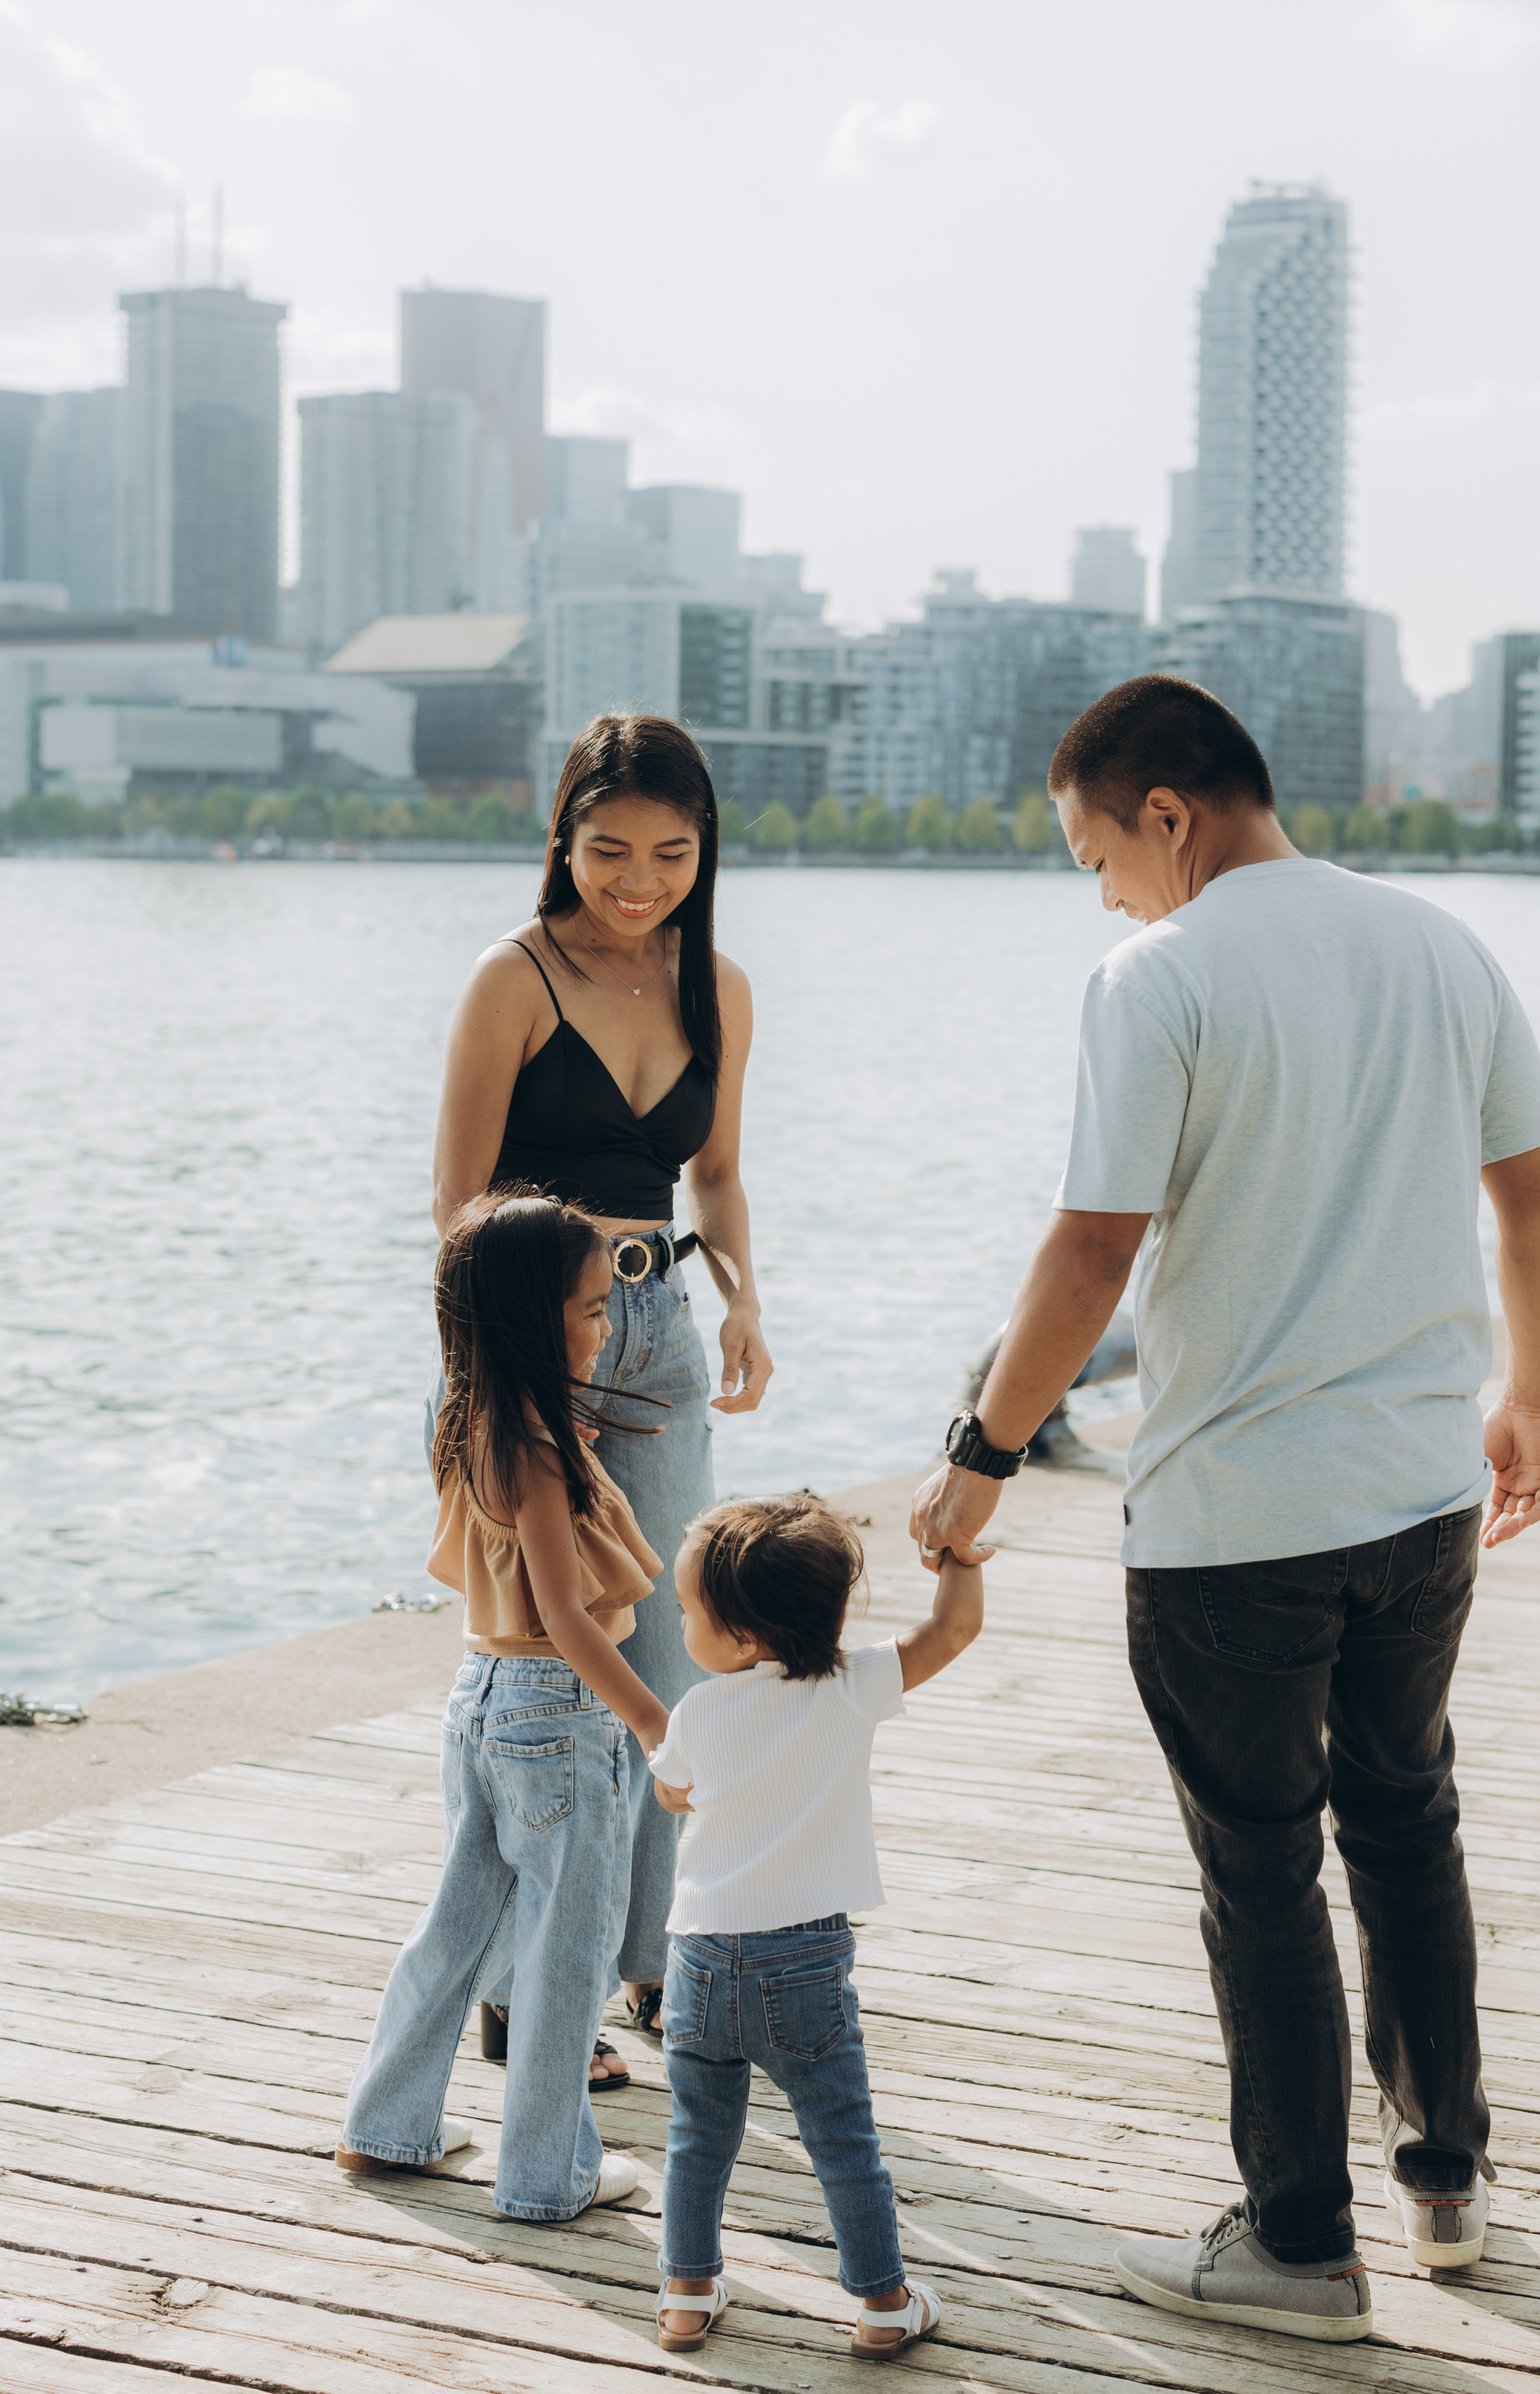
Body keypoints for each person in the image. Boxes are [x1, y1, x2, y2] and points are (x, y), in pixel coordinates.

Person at [910, 675, 1540, 2346]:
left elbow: (1088, 1252)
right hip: (1419, 1500)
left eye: (1089, 854)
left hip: (1232, 1524)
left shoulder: (1155, 976)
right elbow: (1533, 1194)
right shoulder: (1440, 943)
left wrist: (978, 1459)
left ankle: (1293, 2247)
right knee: (1405, 1825)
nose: (1100, 890)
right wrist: (1531, 1397)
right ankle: (1444, 2188)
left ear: (1162, 814)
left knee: (1262, 1873)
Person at [431, 713, 773, 2058]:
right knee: (543, 1662)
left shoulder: (718, 984)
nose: (640, 879)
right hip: (532, 1329)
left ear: (706, 853)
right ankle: (520, 1991)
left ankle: (647, 1964)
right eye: (610, 849)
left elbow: (721, 1172)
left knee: (670, 1649)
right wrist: (510, 1377)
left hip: (663, 1330)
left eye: (673, 854)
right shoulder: (512, 977)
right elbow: (456, 1200)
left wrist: (746, 1301)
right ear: (562, 837)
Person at [336, 1193, 673, 2222]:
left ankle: (388, 2124)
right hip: (559, 1711)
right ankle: (546, 2174)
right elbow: (570, 1619)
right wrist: (658, 1726)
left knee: (460, 1925)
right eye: (586, 1308)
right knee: (567, 1953)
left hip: (479, 1697)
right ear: (531, 1317)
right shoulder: (535, 1443)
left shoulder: (468, 1421)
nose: (605, 1324)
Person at [647, 1495, 984, 2358]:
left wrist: (688, 1784)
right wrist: (958, 1560)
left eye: (690, 1614)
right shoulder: (848, 1686)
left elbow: (670, 1787)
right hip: (801, 1959)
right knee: (842, 2140)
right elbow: (949, 1634)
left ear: (745, 1640)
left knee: (697, 2138)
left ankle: (685, 2294)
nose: (681, 1625)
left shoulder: (697, 1712)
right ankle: (881, 2305)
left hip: (697, 1964)